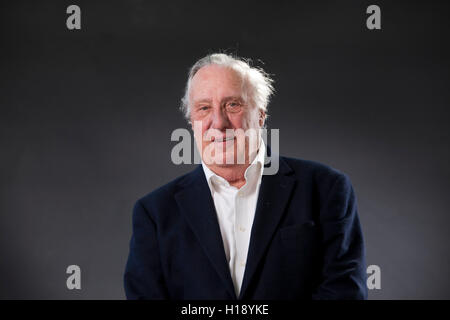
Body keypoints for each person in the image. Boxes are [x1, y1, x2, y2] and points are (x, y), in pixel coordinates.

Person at [124, 53, 367, 300]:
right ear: (191, 121)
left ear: (260, 115)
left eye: (233, 105)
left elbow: (344, 292)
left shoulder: (326, 189)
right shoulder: (154, 212)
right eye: (204, 108)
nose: (218, 123)